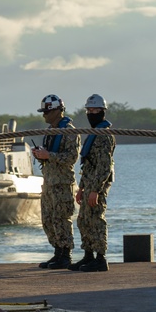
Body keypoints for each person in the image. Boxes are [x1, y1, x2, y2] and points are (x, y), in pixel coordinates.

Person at [32, 94, 79, 269]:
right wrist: (40, 155)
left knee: (61, 219)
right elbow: (50, 157)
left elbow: (72, 157)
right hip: (49, 182)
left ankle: (65, 254)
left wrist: (48, 155)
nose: (44, 115)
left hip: (62, 183)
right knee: (48, 220)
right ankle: (57, 252)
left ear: (58, 111)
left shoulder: (69, 131)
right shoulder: (50, 132)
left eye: (47, 111)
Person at [69, 94, 115, 272]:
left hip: (98, 185)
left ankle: (100, 258)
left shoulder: (104, 135)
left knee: (96, 219)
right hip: (88, 184)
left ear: (102, 112)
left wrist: (95, 190)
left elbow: (104, 166)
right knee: (84, 220)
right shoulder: (95, 133)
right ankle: (88, 256)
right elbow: (88, 165)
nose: (91, 113)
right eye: (88, 110)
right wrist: (81, 188)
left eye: (94, 110)